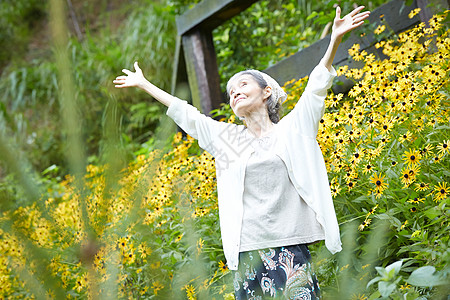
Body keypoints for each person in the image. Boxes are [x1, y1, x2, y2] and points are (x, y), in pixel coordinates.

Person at [114, 5, 370, 299]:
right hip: (248, 251)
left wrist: (334, 40)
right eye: (230, 90)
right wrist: (145, 84)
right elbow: (187, 114)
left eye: (243, 84)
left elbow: (315, 88)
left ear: (266, 92)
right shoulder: (229, 140)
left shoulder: (292, 130)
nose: (234, 91)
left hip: (290, 246)